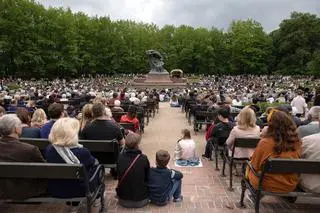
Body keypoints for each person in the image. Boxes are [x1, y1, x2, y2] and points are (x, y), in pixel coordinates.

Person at [45, 118, 101, 198]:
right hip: (80, 190)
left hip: (56, 189)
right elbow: (93, 163)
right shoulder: (82, 152)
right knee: (97, 167)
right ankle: (97, 194)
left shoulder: (49, 150)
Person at [248, 111, 301, 193]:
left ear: (271, 126)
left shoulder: (265, 143)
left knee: (249, 167)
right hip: (289, 184)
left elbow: (255, 165)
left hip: (266, 184)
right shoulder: (297, 142)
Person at [0, 114, 46, 199]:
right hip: (23, 191)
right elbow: (44, 170)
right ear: (16, 129)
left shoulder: (29, 149)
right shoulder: (30, 149)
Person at [116, 132, 150, 208]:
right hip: (141, 200)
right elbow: (147, 177)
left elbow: (118, 175)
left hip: (122, 200)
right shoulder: (143, 158)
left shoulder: (120, 158)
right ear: (137, 145)